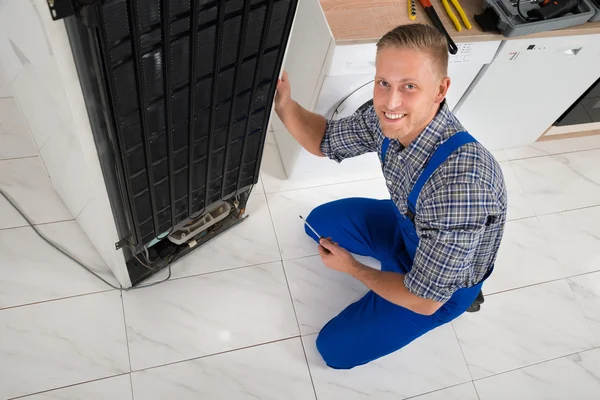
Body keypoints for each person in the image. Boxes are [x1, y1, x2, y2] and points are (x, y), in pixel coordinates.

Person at [274, 23, 507, 370]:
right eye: (384, 82)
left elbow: (424, 300)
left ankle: (462, 290)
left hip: (434, 292)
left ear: (440, 89)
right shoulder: (386, 116)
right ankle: (404, 262)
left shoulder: (461, 188)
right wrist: (284, 105)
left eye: (409, 86)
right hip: (408, 229)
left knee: (333, 351)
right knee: (317, 224)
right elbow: (325, 139)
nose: (391, 101)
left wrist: (352, 268)